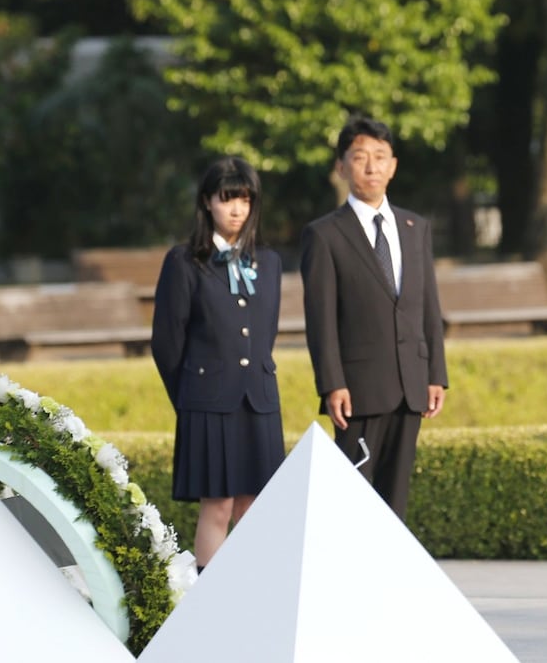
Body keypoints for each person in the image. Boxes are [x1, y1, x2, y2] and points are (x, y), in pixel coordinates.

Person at [299, 115, 448, 521]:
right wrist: (332, 383)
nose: (371, 167)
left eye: (380, 157)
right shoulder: (325, 235)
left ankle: (388, 581)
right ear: (342, 167)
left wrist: (436, 372)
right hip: (358, 392)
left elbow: (428, 307)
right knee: (353, 501)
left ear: (393, 165)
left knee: (395, 501)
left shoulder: (416, 228)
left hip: (411, 385)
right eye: (360, 157)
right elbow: (321, 318)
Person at [151, 156, 285, 571]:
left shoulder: (269, 262)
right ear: (207, 202)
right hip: (207, 402)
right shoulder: (184, 262)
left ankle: (252, 593)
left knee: (254, 505)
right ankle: (211, 601)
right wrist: (192, 397)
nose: (236, 209)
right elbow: (167, 344)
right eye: (227, 199)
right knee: (218, 505)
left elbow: (267, 331)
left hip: (258, 401)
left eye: (244, 199)